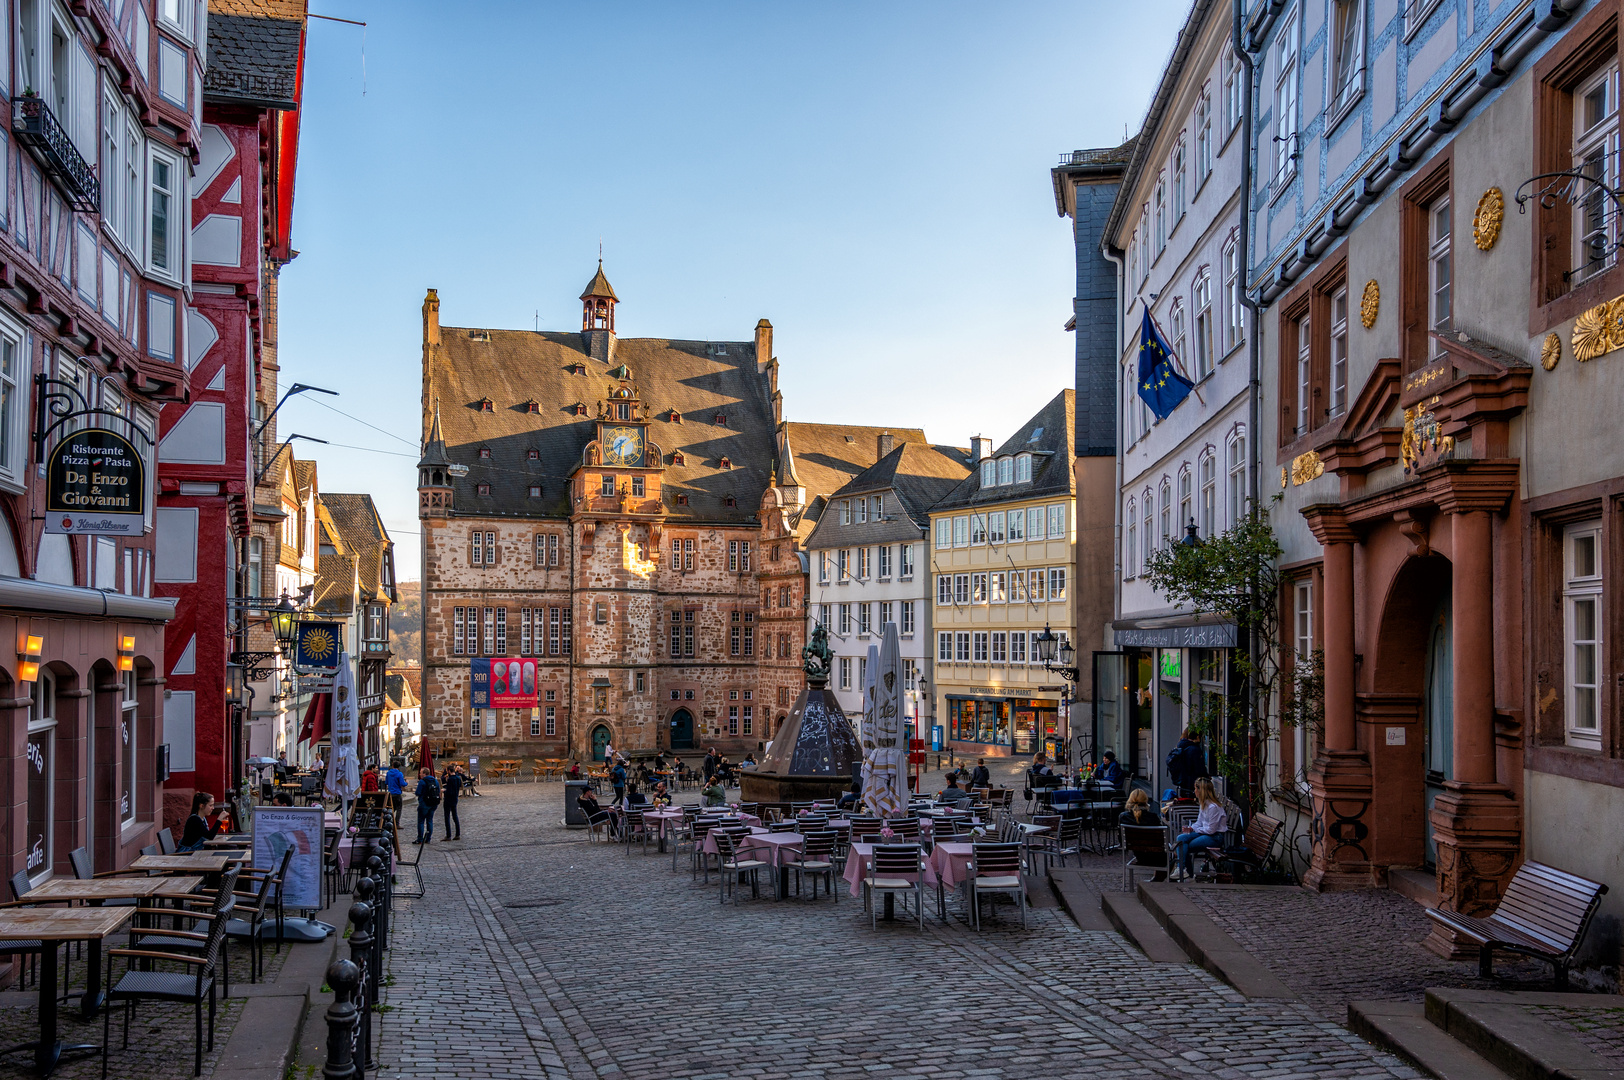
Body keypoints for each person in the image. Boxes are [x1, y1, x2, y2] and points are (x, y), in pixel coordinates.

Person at [1173, 777, 1228, 880]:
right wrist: (1191, 828)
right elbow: (1199, 822)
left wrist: (1196, 830)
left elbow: (1211, 829)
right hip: (1205, 833)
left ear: (1201, 790)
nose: (1194, 791)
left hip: (1215, 837)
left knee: (1186, 845)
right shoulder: (1204, 804)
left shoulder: (1213, 807)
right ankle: (1184, 871)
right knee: (1181, 838)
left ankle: (1184, 871)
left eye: (1195, 789)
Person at [1166, 728, 1208, 799]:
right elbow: (1199, 769)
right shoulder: (1195, 750)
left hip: (1183, 783)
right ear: (1197, 737)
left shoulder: (1180, 747)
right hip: (1194, 785)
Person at [414, 767, 441, 844]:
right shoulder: (435, 780)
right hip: (433, 803)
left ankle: (420, 839)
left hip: (424, 803)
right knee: (430, 821)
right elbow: (438, 791)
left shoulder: (422, 782)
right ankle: (428, 838)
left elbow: (418, 793)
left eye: (421, 773)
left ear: (424, 774)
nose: (420, 774)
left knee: (421, 821)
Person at [441, 765, 464, 841]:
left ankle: (448, 835)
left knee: (447, 817)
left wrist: (444, 791)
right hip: (455, 798)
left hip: (448, 799)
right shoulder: (457, 778)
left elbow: (449, 791)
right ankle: (457, 834)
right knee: (455, 816)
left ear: (449, 771)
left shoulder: (450, 779)